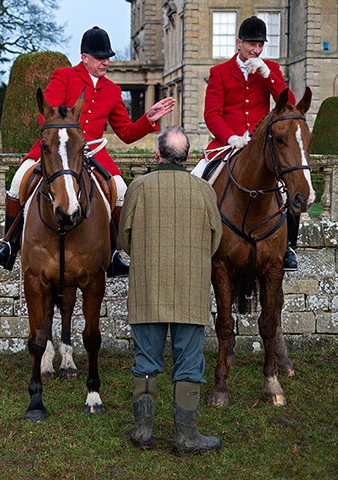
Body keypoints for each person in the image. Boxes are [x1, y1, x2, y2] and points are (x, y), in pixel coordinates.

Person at [0, 26, 176, 277]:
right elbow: (49, 113)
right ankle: (9, 245)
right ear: (84, 57)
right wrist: (63, 141)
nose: (106, 62)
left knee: (121, 190)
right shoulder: (64, 75)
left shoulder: (113, 90)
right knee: (19, 180)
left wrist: (148, 118)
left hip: (94, 151)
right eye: (100, 57)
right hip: (58, 147)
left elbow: (126, 133)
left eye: (108, 57)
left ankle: (116, 252)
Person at [118, 126, 223, 454]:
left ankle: (144, 432)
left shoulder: (139, 187)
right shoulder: (204, 190)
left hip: (147, 287)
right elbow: (215, 239)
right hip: (190, 289)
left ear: (157, 155)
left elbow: (124, 237)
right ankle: (187, 436)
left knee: (146, 360)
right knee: (189, 363)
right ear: (188, 157)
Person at [194, 15, 301, 271]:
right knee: (197, 184)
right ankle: (197, 245)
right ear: (238, 43)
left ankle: (288, 249)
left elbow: (290, 106)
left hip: (262, 149)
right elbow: (211, 115)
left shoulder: (271, 69)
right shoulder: (219, 72)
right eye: (252, 44)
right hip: (225, 145)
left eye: (260, 45)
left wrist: (268, 77)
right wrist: (230, 137)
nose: (256, 50)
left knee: (289, 189)